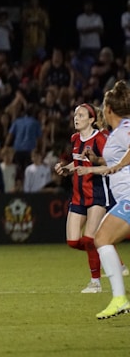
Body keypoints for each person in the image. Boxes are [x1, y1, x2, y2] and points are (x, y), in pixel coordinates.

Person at [53, 103, 126, 293]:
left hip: (97, 194)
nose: (76, 118)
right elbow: (76, 163)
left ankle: (95, 283)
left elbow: (112, 163)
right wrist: (65, 168)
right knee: (73, 241)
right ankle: (111, 257)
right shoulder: (75, 138)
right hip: (78, 195)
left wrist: (94, 163)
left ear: (92, 120)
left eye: (81, 115)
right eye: (75, 114)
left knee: (89, 238)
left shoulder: (101, 139)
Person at [74, 81, 130, 318]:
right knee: (102, 239)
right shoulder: (118, 132)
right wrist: (98, 164)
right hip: (123, 197)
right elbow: (114, 161)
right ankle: (120, 299)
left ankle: (119, 299)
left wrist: (119, 164)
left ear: (108, 110)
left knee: (102, 238)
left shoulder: (125, 128)